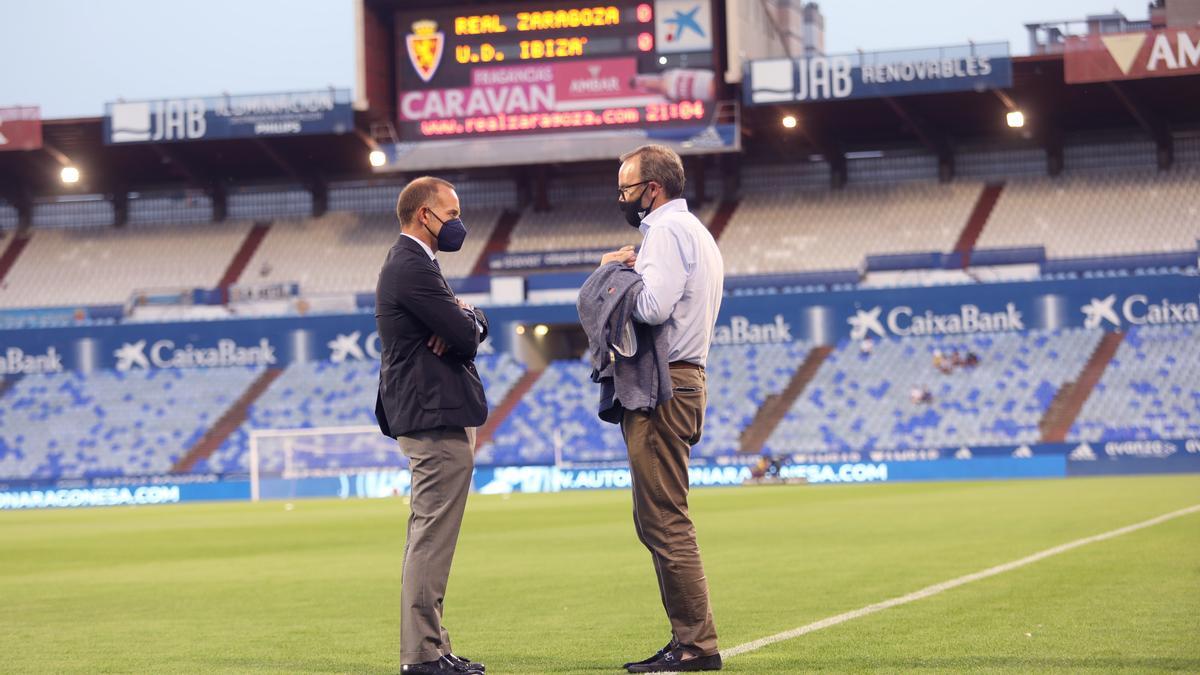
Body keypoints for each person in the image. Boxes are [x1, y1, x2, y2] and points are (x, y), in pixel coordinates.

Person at [600, 144, 724, 673]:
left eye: (627, 188)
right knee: (658, 517)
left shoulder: (666, 232)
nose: (622, 198)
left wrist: (616, 273)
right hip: (683, 378)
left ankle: (695, 645)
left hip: (663, 384)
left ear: (653, 189)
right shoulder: (695, 231)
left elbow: (652, 306)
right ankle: (688, 640)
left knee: (665, 519)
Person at [374, 176, 489, 675]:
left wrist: (468, 318)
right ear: (425, 215)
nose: (458, 223)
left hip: (436, 411)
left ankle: (434, 645)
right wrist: (464, 322)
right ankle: (423, 653)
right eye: (452, 212)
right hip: (433, 413)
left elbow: (467, 325)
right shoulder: (411, 266)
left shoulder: (418, 266)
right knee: (432, 537)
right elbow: (463, 332)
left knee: (433, 534)